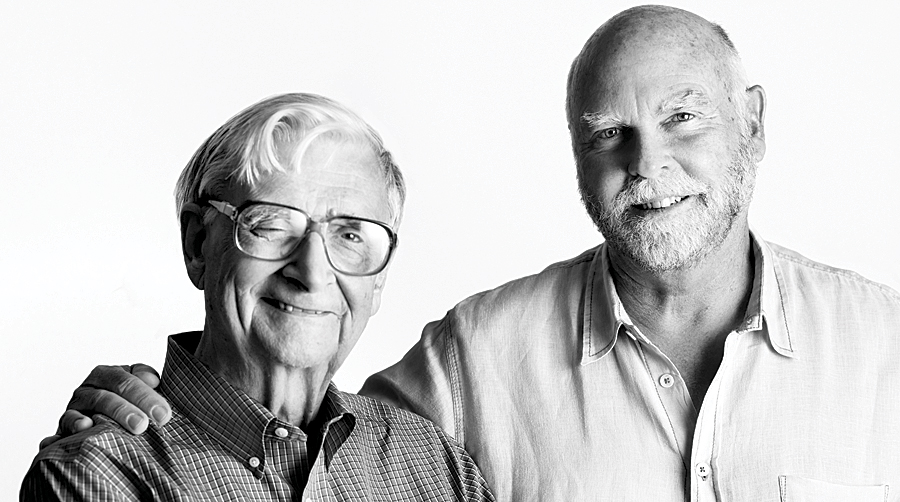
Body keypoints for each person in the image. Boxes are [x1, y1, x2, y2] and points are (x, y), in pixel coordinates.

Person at [43, 6, 900, 501]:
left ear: (753, 122)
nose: (647, 164)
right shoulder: (471, 365)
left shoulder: (886, 346)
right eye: (609, 134)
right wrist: (143, 402)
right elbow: (283, 386)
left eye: (683, 118)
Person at [22, 93, 495, 501]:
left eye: (350, 236)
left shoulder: (436, 466)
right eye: (270, 224)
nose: (312, 272)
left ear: (379, 279)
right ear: (197, 245)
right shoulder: (100, 474)